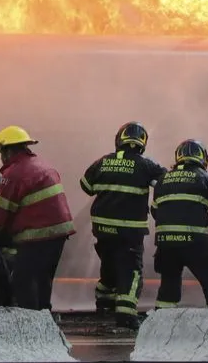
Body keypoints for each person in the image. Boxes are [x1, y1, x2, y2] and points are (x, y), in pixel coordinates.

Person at [80, 121, 167, 328]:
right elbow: (167, 182)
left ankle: (104, 305)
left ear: (119, 140)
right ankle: (126, 316)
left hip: (102, 231)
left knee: (109, 267)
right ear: (141, 143)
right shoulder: (146, 165)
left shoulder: (102, 162)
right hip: (129, 233)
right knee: (131, 271)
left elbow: (86, 186)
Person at [0, 125, 75, 311]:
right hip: (59, 233)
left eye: (2, 152)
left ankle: (31, 322)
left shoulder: (13, 174)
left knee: (22, 280)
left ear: (7, 150)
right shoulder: (44, 165)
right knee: (43, 279)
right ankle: (45, 319)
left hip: (36, 235)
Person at [152, 139, 208, 311]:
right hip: (195, 243)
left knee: (169, 285)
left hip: (166, 244)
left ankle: (160, 326)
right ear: (203, 159)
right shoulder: (205, 178)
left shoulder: (162, 181)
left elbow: (156, 211)